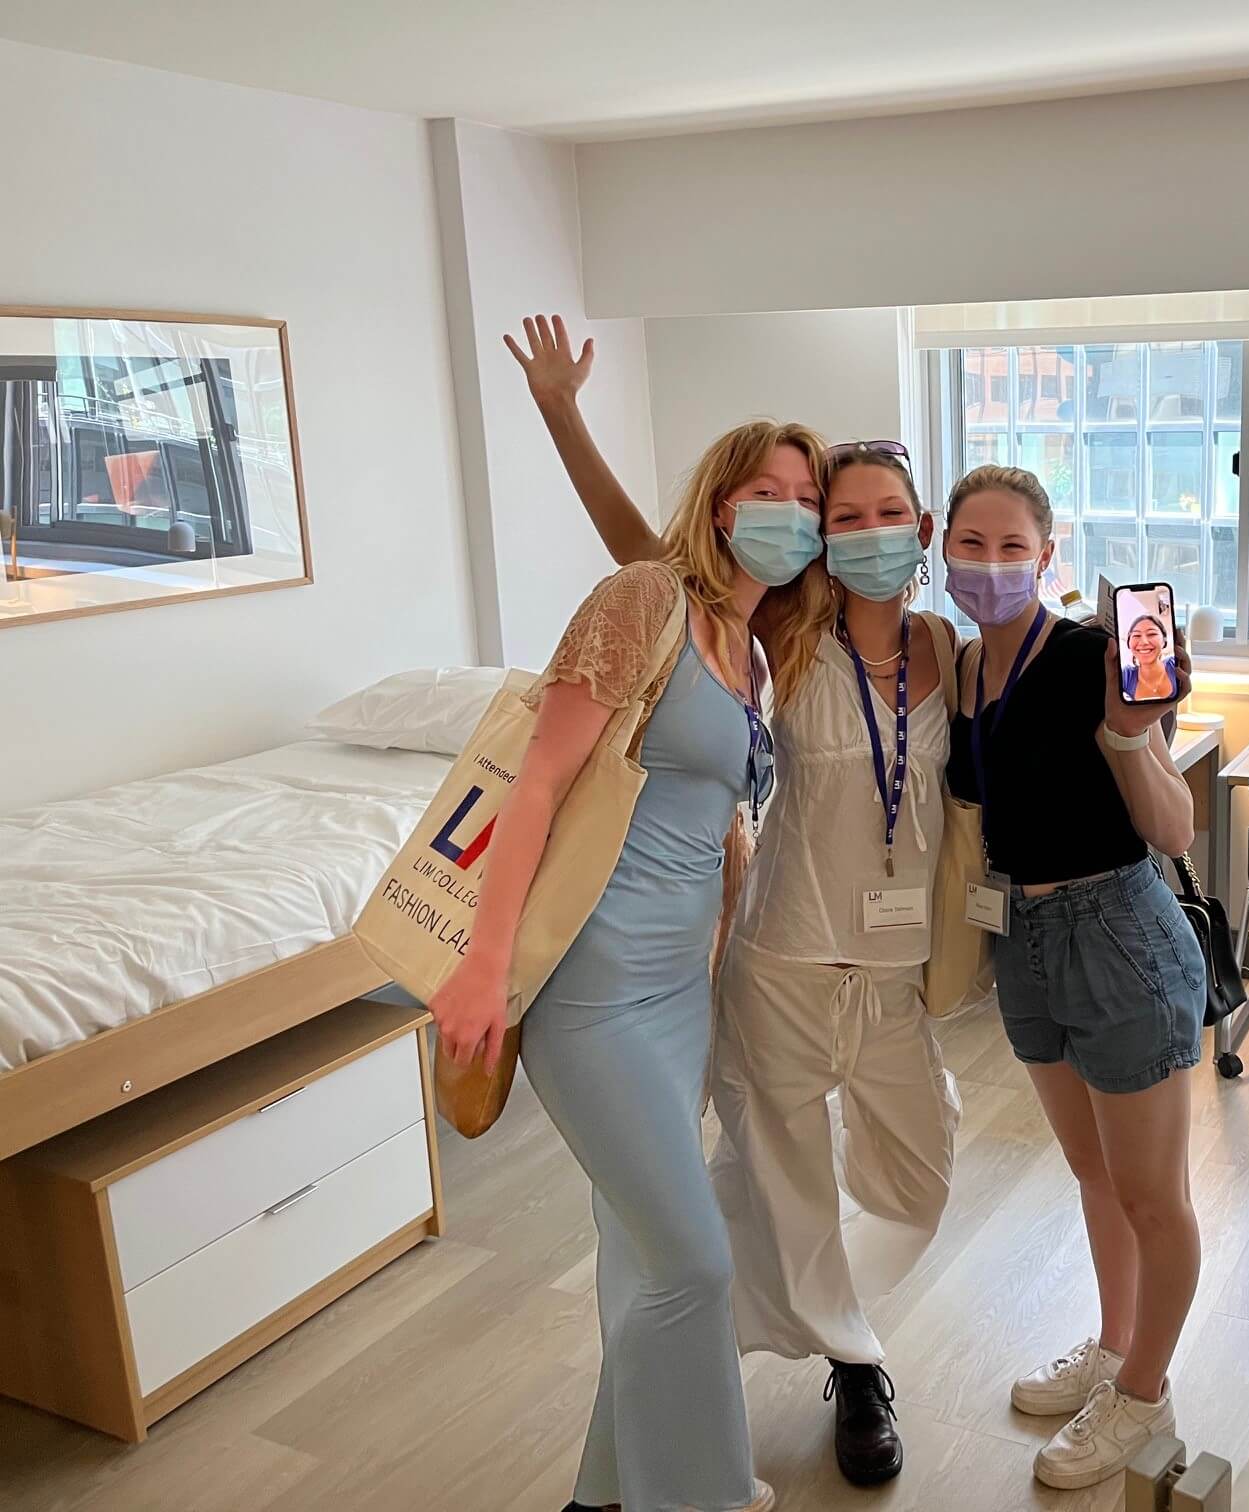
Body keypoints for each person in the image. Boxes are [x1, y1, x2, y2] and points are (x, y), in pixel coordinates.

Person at [507, 316, 962, 1488]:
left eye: (875, 514)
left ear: (921, 533)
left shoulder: (946, 650)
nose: (852, 532)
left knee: (915, 1176)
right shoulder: (780, 634)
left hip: (893, 971)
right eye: (832, 512)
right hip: (769, 958)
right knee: (756, 1189)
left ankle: (794, 1316)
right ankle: (851, 1364)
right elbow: (650, 564)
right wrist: (563, 416)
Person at [429, 408, 830, 1512]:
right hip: (593, 989)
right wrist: (482, 962)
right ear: (717, 506)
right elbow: (541, 782)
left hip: (677, 996)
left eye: (807, 502)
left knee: (645, 1259)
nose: (789, 517)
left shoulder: (752, 650)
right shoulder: (647, 600)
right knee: (695, 1265)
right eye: (769, 494)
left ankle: (602, 1495)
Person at [941, 464, 1208, 1492]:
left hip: (1117, 931)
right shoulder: (964, 668)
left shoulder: (1096, 654)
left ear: (1049, 560)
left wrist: (1127, 735)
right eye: (972, 543)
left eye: (1015, 548)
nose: (993, 564)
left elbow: (1175, 830)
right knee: (1095, 1174)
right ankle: (1111, 1346)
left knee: (1153, 1196)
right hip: (1025, 936)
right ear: (945, 551)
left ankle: (1144, 1396)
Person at [1120, 613, 1178, 703]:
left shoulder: (1175, 664)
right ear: (1129, 643)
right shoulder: (1125, 676)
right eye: (1136, 635)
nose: (1144, 642)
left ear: (1164, 641)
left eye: (1151, 634)